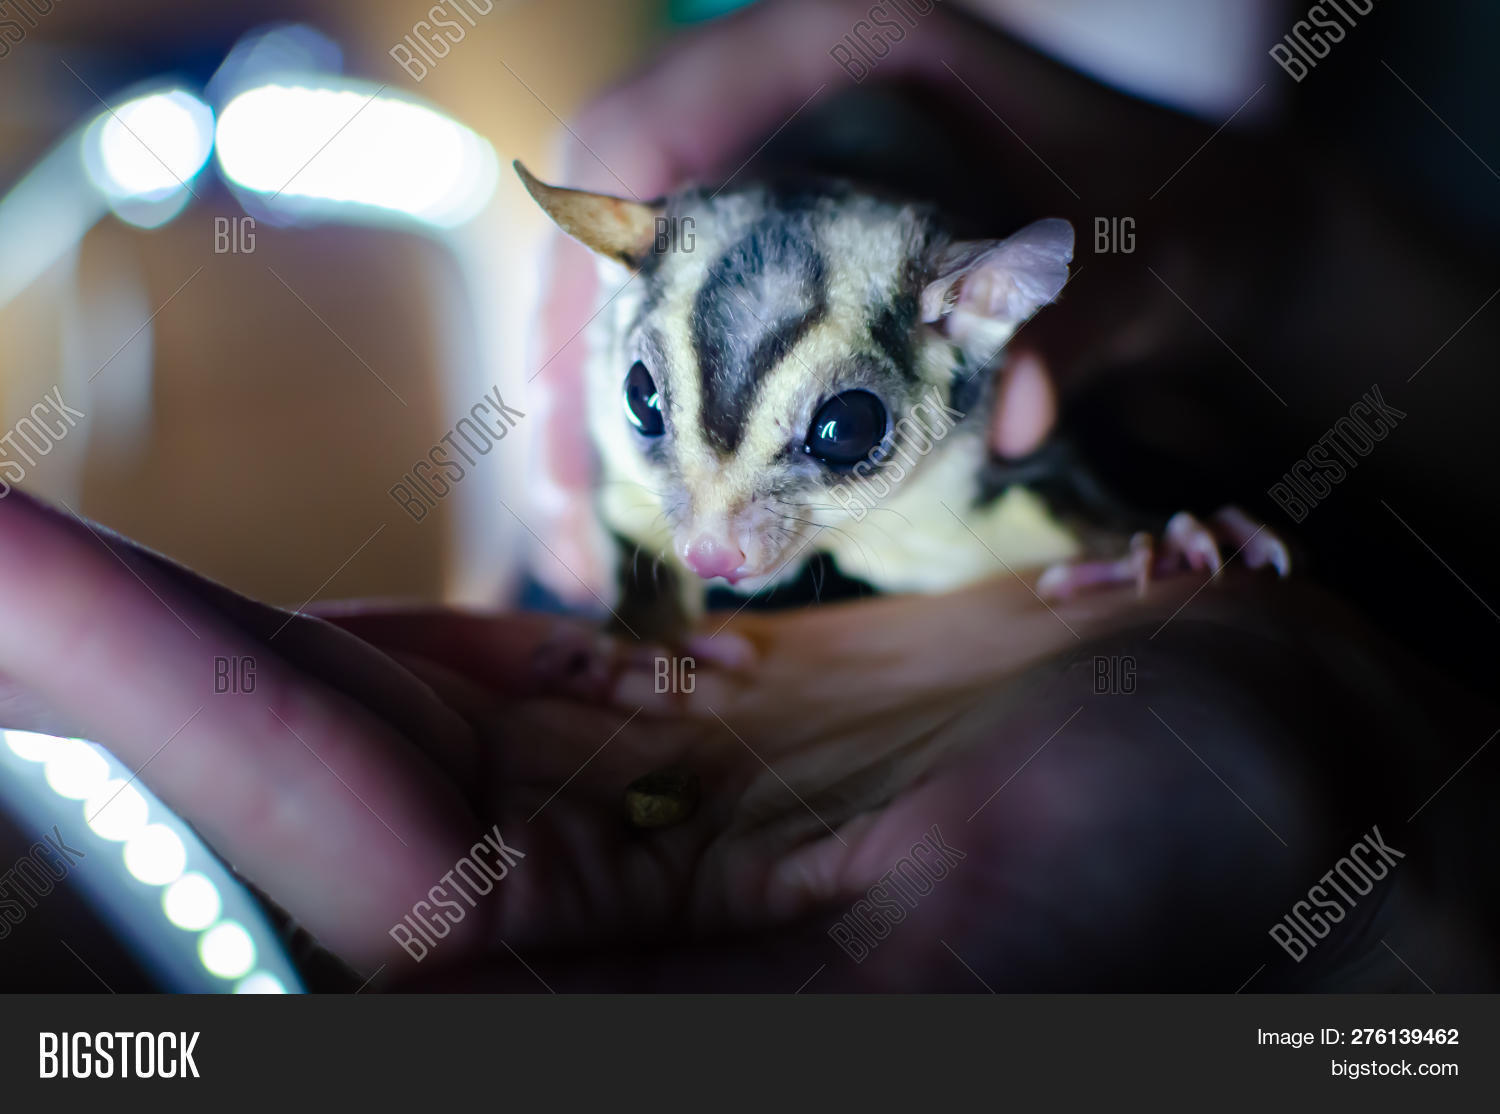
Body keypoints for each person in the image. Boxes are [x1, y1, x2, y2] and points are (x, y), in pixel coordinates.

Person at [1, 0, 1492, 991]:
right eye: (649, 405)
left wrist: (1256, 256)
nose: (722, 527)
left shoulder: (997, 364)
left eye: (834, 427)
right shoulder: (668, 367)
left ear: (981, 316)